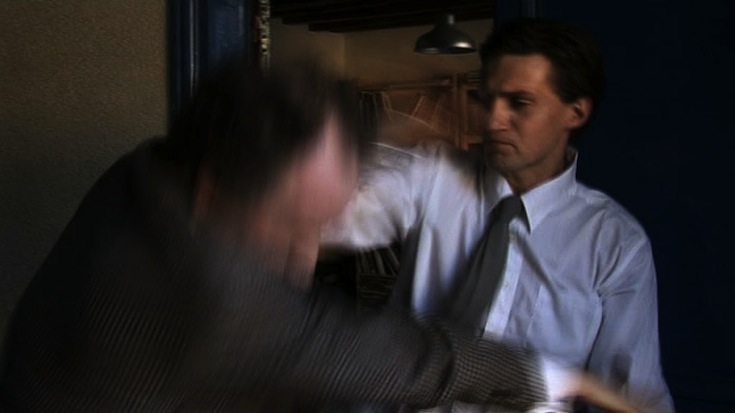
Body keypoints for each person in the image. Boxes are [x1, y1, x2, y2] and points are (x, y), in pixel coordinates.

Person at [0, 59, 638, 412]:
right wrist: (548, 377)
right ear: (214, 192)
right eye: (292, 227)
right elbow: (394, 359)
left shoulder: (146, 169)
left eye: (323, 225)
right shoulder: (218, 299)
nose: (307, 261)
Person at [323, 18, 674, 412]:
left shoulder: (614, 243)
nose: (493, 121)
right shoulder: (431, 176)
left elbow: (630, 391)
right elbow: (323, 223)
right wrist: (393, 134)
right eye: (486, 100)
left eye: (519, 103)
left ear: (575, 112)